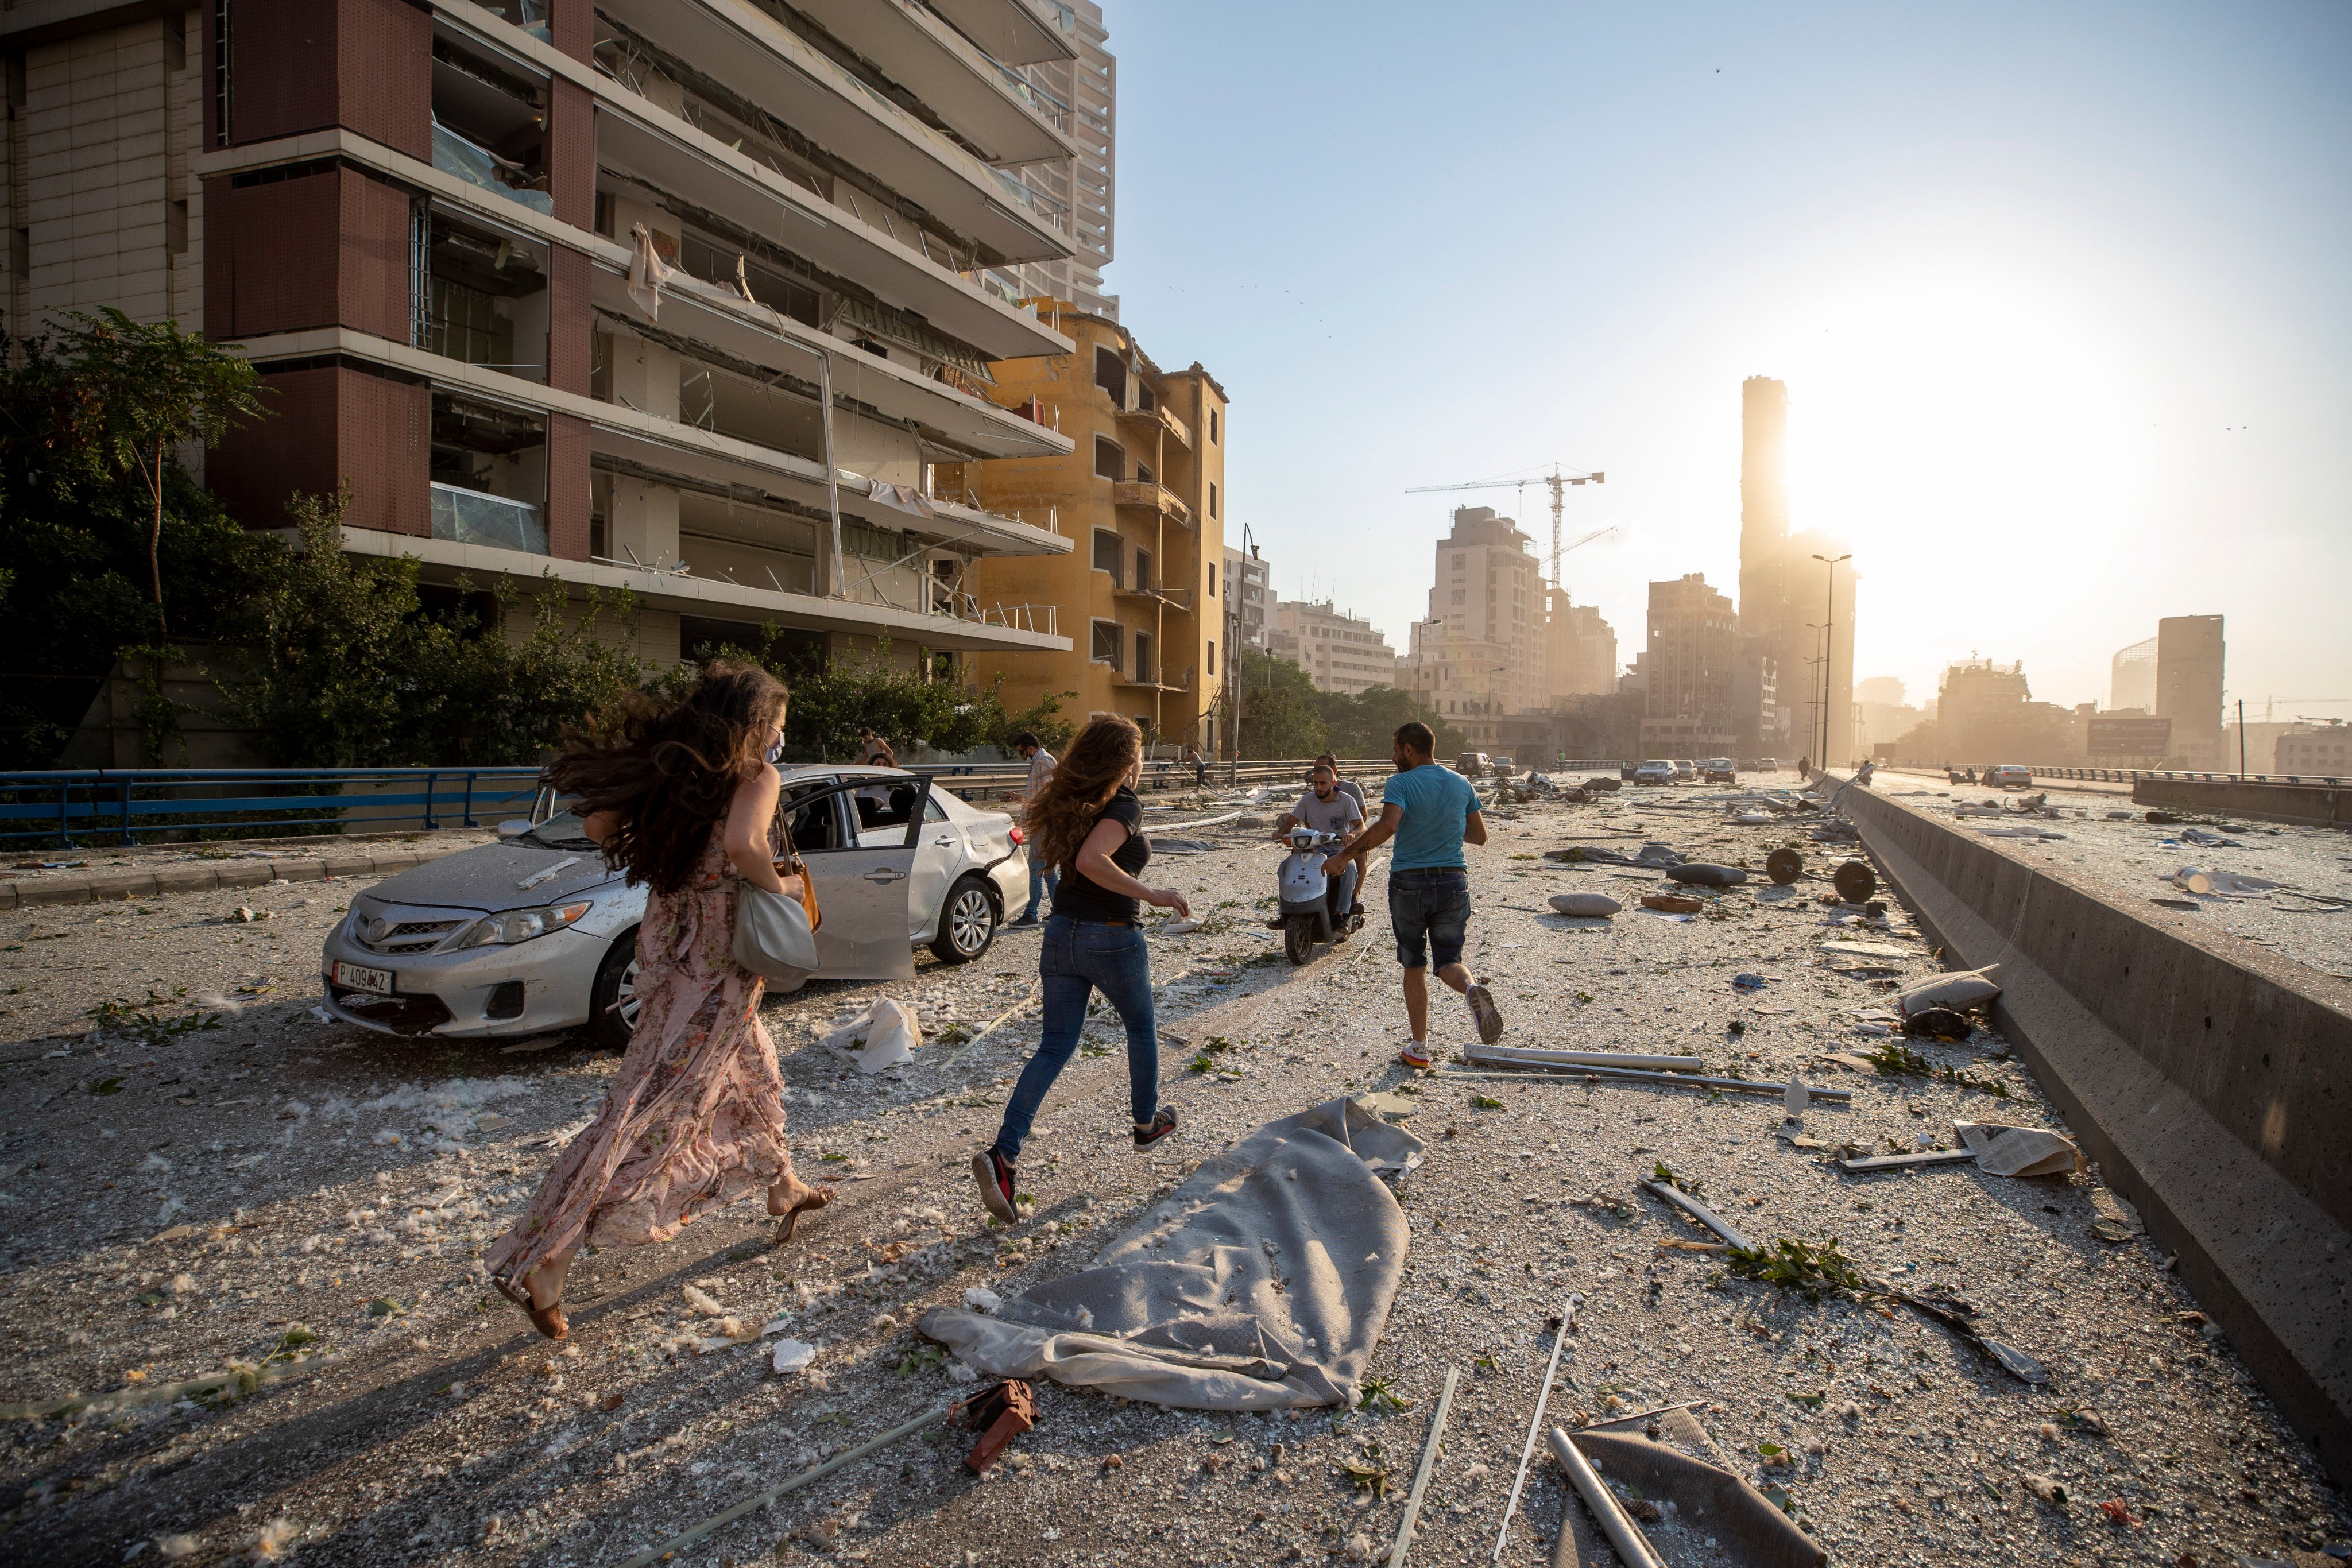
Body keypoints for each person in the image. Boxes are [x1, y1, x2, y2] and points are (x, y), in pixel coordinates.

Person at [485, 663, 831, 1341]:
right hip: (721, 965)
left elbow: (597, 828)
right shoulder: (755, 778)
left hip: (672, 949)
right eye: (779, 729)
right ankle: (549, 1256)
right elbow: (742, 844)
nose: (780, 742)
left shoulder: (680, 777)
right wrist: (779, 888)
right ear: (755, 726)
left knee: (750, 1072)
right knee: (657, 1108)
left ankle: (782, 1184)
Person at [974, 715, 1189, 1221]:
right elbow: (1094, 860)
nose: (1142, 764)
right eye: (1139, 754)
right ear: (1123, 759)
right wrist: (1153, 894)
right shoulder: (1125, 805)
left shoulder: (1075, 805)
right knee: (1141, 1029)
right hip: (1110, 934)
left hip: (1061, 934)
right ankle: (1145, 1124)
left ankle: (1003, 1156)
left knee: (1054, 1046)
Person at [1326, 721, 1503, 1069]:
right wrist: (1444, 830)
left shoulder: (1401, 782)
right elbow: (1479, 836)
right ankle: (1470, 990)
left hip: (1410, 882)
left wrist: (1344, 857)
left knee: (1414, 964)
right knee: (1449, 960)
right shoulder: (1461, 782)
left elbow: (1389, 825)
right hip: (1454, 880)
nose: (1393, 757)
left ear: (1409, 749)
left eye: (1395, 750)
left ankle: (1419, 1047)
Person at [1271, 762, 1365, 922]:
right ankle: (1285, 912)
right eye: (1315, 783)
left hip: (1337, 849)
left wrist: (1351, 834)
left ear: (1333, 784)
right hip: (1312, 850)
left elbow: (1361, 826)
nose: (1318, 788)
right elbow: (1290, 822)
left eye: (1323, 783)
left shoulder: (1346, 801)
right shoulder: (1308, 800)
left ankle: (1339, 914)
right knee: (1285, 867)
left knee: (1350, 868)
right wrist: (1280, 833)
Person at [1009, 731, 1057, 927]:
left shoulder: (1044, 761)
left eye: (1022, 752)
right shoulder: (1038, 761)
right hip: (1043, 822)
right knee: (1048, 871)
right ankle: (1059, 912)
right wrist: (1017, 797)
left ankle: (1031, 915)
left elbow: (1052, 795)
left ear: (1030, 749)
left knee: (1036, 869)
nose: (1021, 757)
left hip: (1045, 823)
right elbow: (1039, 793)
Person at [1314, 752, 1368, 819]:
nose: (1319, 773)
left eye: (1324, 770)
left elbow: (1363, 816)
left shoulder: (1351, 789)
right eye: (1316, 769)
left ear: (1334, 770)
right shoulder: (1316, 793)